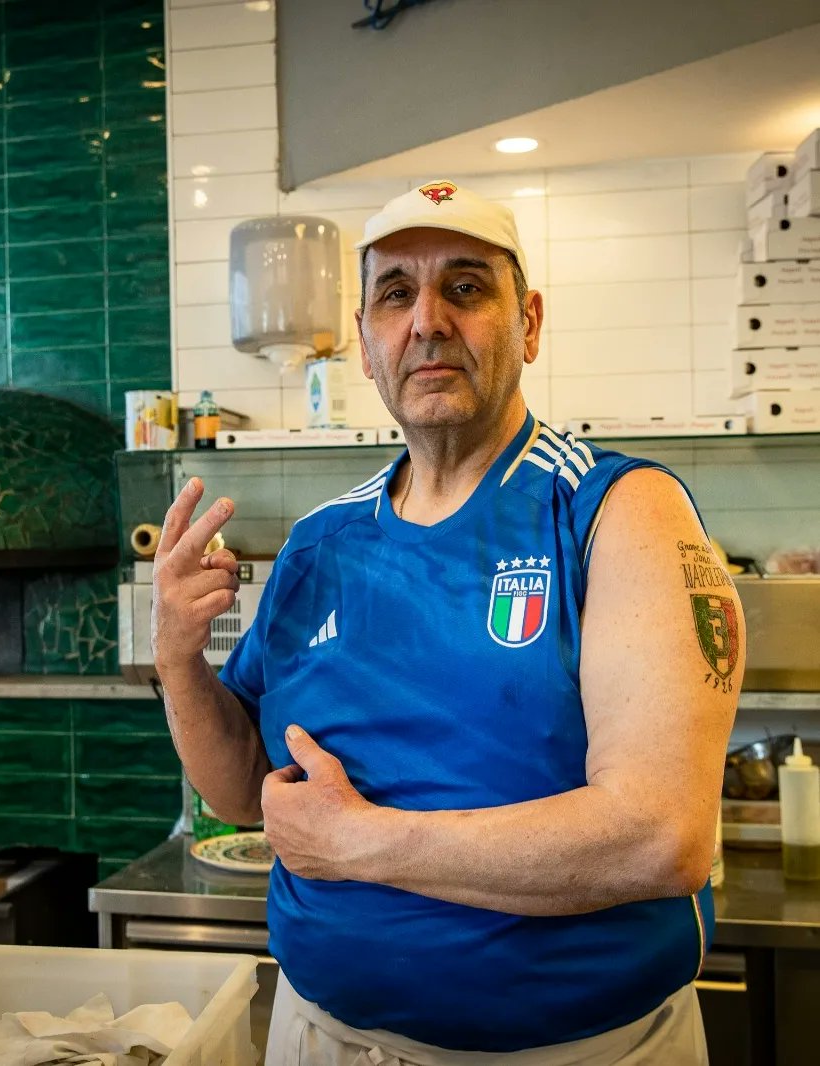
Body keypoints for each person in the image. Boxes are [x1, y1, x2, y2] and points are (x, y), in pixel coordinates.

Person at [151, 181, 744, 1065]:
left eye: (465, 287)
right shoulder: (319, 545)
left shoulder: (617, 511)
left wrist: (363, 845)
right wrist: (178, 658)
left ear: (529, 323)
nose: (427, 321)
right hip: (322, 1037)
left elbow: (662, 838)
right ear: (365, 343)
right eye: (396, 294)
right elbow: (243, 793)